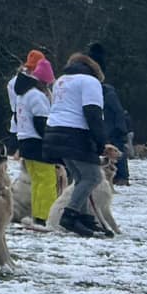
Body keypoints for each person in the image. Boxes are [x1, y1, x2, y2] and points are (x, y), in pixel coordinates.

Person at [44, 52, 111, 236]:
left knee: (80, 178)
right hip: (75, 134)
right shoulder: (91, 82)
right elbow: (92, 112)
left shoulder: (61, 80)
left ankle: (85, 218)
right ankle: (71, 216)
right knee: (92, 177)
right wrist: (102, 142)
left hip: (54, 132)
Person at [9, 52, 58, 226]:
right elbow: (41, 122)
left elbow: (17, 117)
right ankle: (46, 216)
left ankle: (37, 214)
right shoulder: (37, 96)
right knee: (47, 180)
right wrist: (50, 140)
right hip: (37, 143)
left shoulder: (23, 95)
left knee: (36, 181)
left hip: (25, 140)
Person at [89, 40, 132, 187]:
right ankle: (119, 178)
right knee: (116, 155)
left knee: (114, 155)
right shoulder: (107, 91)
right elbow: (118, 112)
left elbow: (117, 112)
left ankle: (119, 178)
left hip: (110, 130)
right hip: (111, 129)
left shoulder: (105, 93)